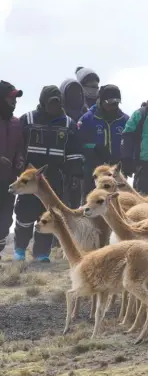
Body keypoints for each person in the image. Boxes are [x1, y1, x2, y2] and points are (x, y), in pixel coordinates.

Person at [13, 86, 84, 262]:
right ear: (43, 102)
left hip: (54, 178)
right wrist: (21, 166)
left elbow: (74, 152)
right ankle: (20, 249)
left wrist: (75, 175)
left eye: (58, 103)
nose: (55, 106)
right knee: (24, 213)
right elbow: (17, 146)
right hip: (30, 178)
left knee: (49, 214)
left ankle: (42, 253)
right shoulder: (28, 120)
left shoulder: (68, 124)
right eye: (51, 103)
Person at [77, 85, 129, 198]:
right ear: (101, 100)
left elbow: (130, 144)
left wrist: (129, 160)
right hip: (93, 170)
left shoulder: (125, 120)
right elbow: (78, 144)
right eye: (110, 102)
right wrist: (94, 147)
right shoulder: (87, 119)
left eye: (116, 103)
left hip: (116, 170)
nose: (113, 106)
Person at [0, 82, 25, 260]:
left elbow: (20, 149)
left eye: (15, 98)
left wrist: (19, 163)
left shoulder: (17, 123)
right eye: (11, 98)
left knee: (5, 221)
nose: (14, 101)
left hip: (8, 181)